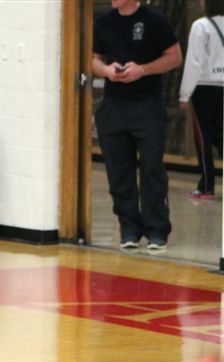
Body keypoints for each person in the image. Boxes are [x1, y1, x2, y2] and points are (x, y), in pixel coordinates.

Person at [93, 0, 182, 252]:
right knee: (119, 170)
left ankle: (157, 229)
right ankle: (129, 226)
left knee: (152, 168)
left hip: (147, 104)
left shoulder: (155, 21)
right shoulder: (104, 23)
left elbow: (174, 57)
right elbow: (93, 60)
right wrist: (107, 71)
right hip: (114, 103)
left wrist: (143, 69)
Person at [179, 0, 224, 201]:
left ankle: (207, 186)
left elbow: (194, 62)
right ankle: (206, 185)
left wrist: (185, 93)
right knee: (220, 135)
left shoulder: (201, 25)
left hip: (204, 86)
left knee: (203, 136)